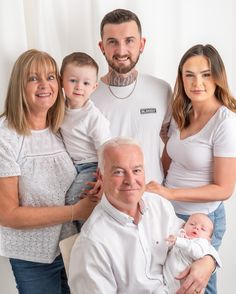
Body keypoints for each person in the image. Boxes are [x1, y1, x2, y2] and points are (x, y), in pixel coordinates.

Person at [0, 49, 99, 294]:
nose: (44, 85)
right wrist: (76, 210)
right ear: (18, 86)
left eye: (50, 77)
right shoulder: (6, 136)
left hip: (70, 247)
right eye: (33, 78)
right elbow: (9, 215)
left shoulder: (60, 127)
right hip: (32, 258)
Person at [68, 137, 219, 294]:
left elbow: (193, 240)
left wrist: (209, 261)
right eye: (118, 172)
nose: (130, 180)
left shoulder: (158, 205)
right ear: (101, 176)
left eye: (136, 170)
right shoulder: (92, 243)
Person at [146, 44, 236, 293]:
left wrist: (171, 194)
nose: (197, 83)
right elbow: (168, 164)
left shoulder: (225, 123)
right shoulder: (179, 113)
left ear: (217, 77)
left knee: (194, 284)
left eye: (206, 74)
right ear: (181, 78)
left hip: (200, 219)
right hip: (170, 216)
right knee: (169, 283)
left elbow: (224, 189)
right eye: (189, 75)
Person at [91, 8, 172, 183]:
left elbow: (174, 145)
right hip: (106, 202)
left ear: (142, 44)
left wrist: (163, 183)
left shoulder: (161, 90)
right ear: (102, 47)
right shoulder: (87, 96)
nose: (121, 51)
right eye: (112, 42)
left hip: (153, 200)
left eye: (129, 41)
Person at [60, 52, 110, 231]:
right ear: (61, 81)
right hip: (72, 167)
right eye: (73, 80)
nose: (79, 87)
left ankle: (85, 235)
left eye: (86, 83)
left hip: (92, 166)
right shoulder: (60, 108)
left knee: (74, 200)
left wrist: (102, 177)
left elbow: (105, 149)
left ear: (94, 87)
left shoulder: (93, 117)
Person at [164, 213, 222, 293]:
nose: (196, 227)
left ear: (209, 239)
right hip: (167, 281)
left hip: (186, 286)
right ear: (184, 225)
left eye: (203, 229)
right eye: (192, 224)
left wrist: (178, 241)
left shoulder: (201, 243)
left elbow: (196, 252)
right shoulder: (180, 234)